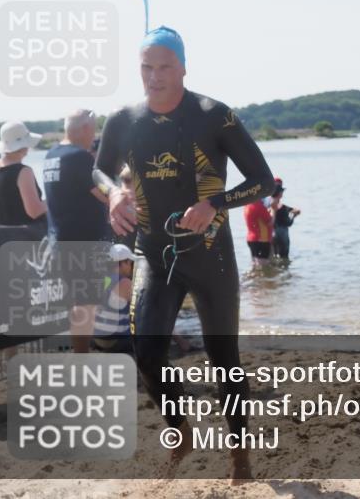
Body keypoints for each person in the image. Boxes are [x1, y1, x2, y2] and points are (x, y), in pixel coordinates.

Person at [92, 26, 275, 483]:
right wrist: (113, 193)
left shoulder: (214, 116)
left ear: (183, 67)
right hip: (154, 254)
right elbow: (97, 170)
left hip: (209, 253)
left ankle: (239, 456)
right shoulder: (123, 119)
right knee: (146, 352)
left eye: (164, 67)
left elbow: (263, 181)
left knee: (223, 360)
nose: (154, 77)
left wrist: (215, 203)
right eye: (146, 67)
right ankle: (181, 430)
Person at [43, 109, 110, 353]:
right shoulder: (79, 158)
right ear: (83, 129)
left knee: (76, 300)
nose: (94, 135)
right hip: (83, 241)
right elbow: (105, 195)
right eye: (93, 129)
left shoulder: (52, 154)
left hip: (60, 238)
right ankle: (82, 356)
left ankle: (80, 351)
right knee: (85, 302)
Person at [0, 121, 47, 227]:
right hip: (30, 237)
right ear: (24, 145)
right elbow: (34, 211)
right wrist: (53, 201)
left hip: (6, 237)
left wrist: (4, 223)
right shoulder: (23, 171)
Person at [91, 244, 136, 355]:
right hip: (114, 341)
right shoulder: (125, 283)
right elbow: (144, 310)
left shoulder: (104, 279)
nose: (132, 266)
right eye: (130, 262)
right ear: (122, 263)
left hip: (97, 338)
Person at [270, 178, 300, 259]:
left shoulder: (268, 205)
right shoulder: (282, 207)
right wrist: (293, 216)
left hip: (272, 234)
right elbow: (288, 223)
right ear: (279, 193)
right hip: (282, 234)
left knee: (274, 257)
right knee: (284, 258)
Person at [244, 197, 274, 265]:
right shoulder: (259, 206)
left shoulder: (247, 205)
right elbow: (270, 222)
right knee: (263, 265)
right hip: (262, 240)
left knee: (255, 264)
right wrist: (273, 209)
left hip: (251, 238)